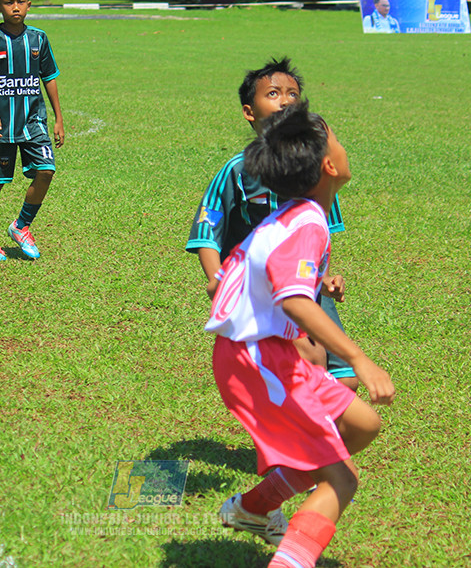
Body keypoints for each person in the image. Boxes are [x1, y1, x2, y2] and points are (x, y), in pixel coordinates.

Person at [207, 103, 395, 566]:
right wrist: (359, 358)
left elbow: (271, 286)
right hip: (256, 358)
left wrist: (296, 339)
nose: (346, 148)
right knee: (342, 479)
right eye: (339, 140)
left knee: (361, 424)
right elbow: (293, 300)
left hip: (270, 352)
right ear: (329, 166)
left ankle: (251, 509)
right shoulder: (308, 222)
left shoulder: (295, 216)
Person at [186, 58, 357, 392]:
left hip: (306, 288)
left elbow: (313, 244)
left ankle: (313, 438)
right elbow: (208, 230)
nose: (285, 100)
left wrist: (324, 280)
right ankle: (294, 434)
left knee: (346, 376)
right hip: (260, 290)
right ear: (250, 112)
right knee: (304, 365)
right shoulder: (238, 170)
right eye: (274, 93)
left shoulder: (316, 174)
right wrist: (216, 281)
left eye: (293, 94)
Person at [0, 0, 64, 261]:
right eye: (9, 2)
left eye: (20, 2)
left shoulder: (39, 38)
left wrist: (59, 117)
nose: (15, 8)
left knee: (46, 170)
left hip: (34, 120)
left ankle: (21, 226)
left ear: (29, 4)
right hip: (2, 124)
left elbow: (49, 77)